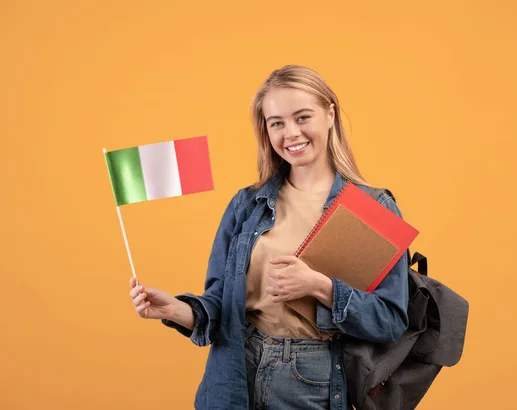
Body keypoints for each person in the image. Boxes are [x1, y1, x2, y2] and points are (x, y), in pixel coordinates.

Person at [128, 64, 410, 410]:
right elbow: (220, 303)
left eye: (302, 117)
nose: (290, 133)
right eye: (277, 122)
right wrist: (177, 309)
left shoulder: (372, 209)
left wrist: (318, 286)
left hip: (311, 380)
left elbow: (390, 320)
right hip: (234, 372)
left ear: (330, 114)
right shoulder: (247, 204)